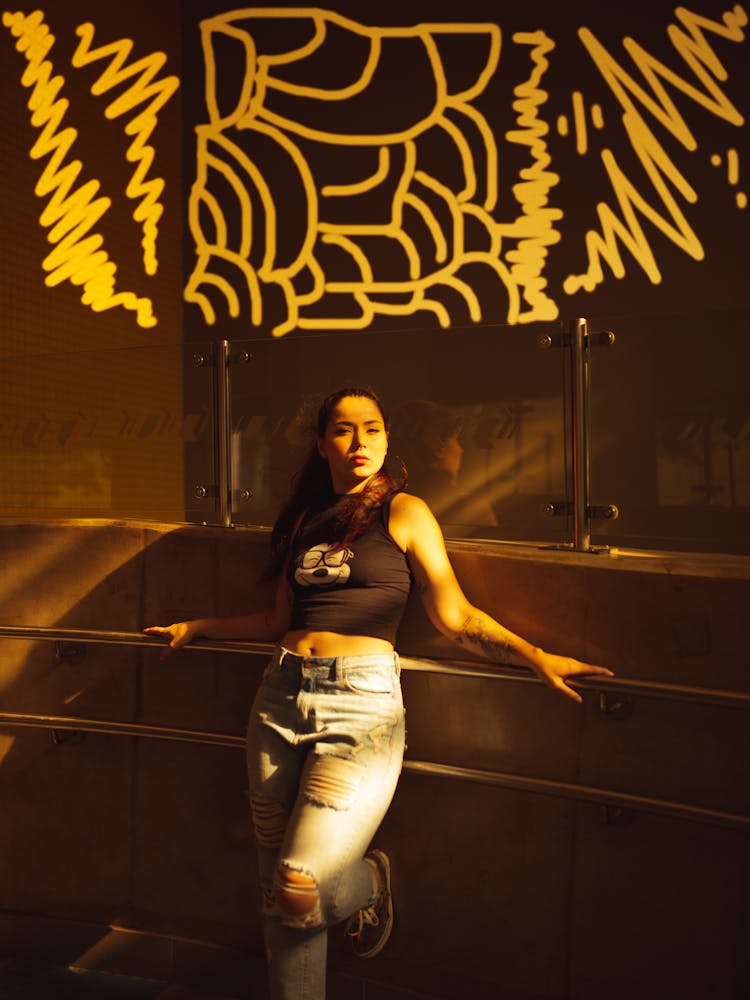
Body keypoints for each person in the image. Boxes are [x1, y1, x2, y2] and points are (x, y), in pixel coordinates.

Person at [144, 386, 613, 1000]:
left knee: (297, 882)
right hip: (279, 698)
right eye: (343, 429)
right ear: (322, 445)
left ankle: (366, 882)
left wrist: (533, 656)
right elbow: (275, 620)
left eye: (372, 428)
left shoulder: (405, 512)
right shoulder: (301, 521)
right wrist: (199, 626)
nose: (359, 440)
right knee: (275, 893)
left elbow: (454, 614)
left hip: (358, 711)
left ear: (387, 440)